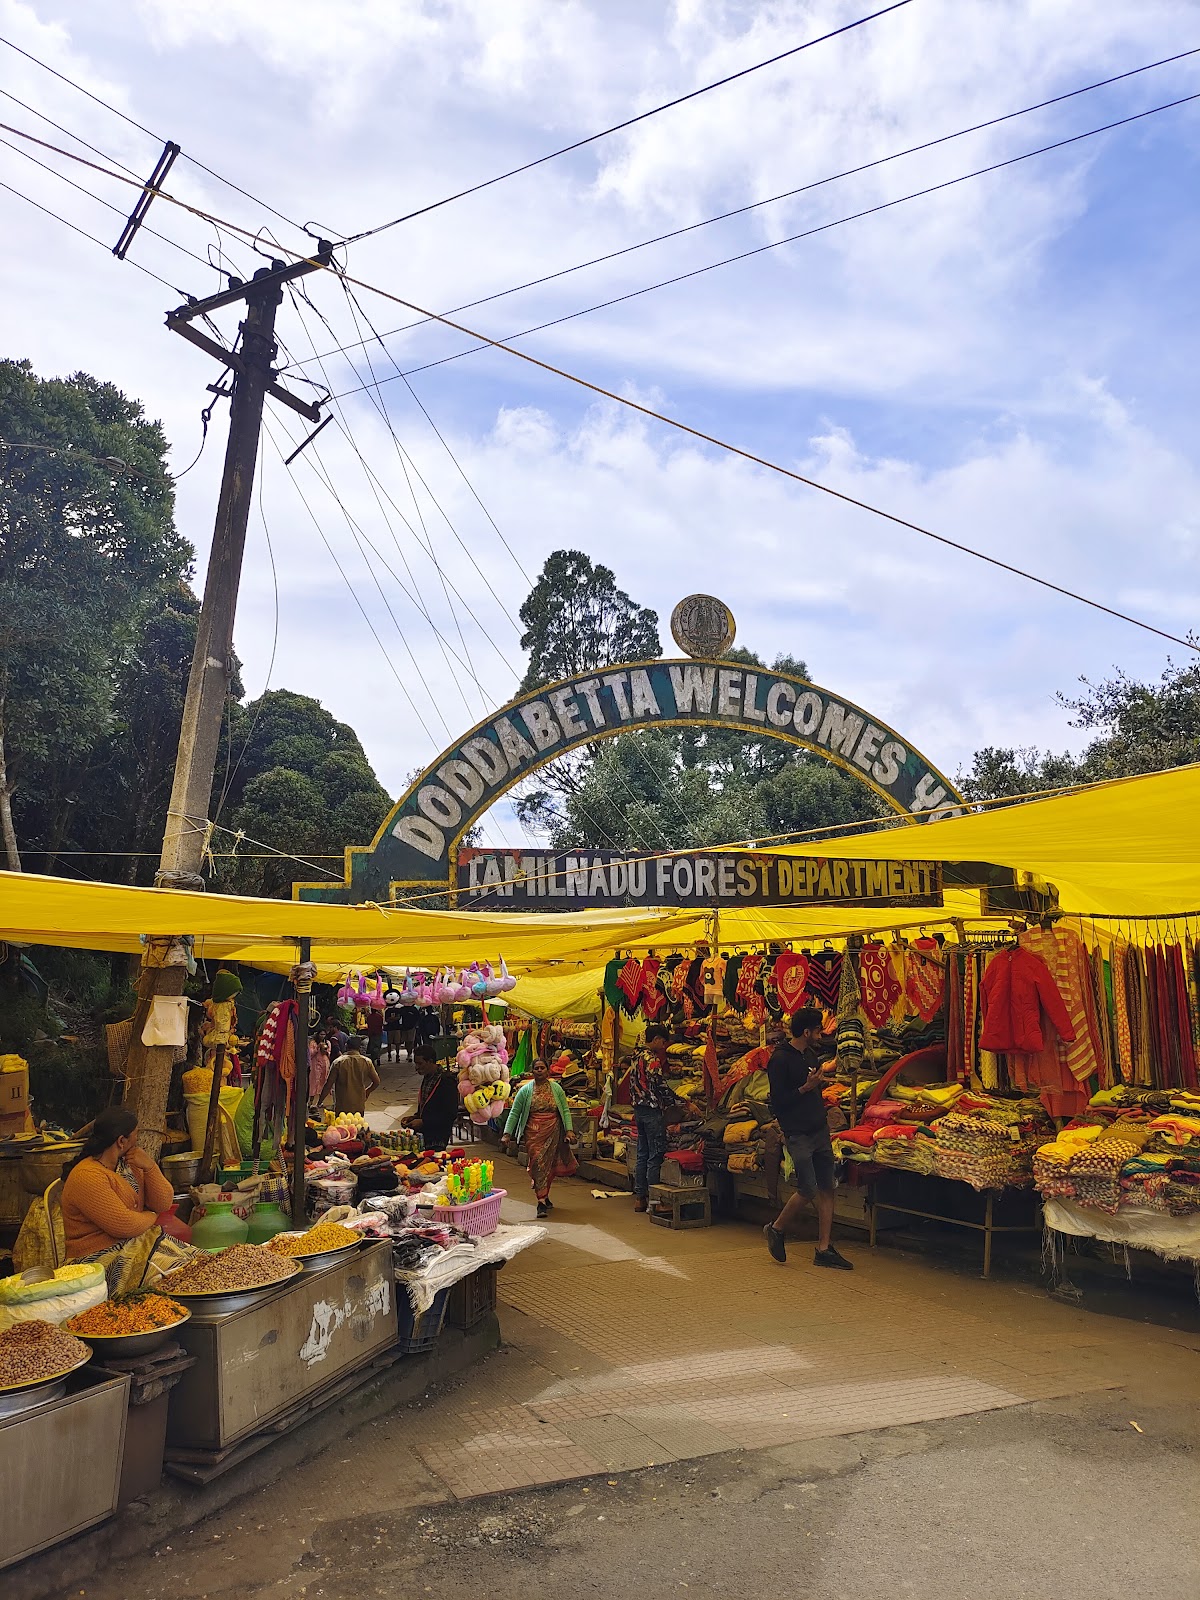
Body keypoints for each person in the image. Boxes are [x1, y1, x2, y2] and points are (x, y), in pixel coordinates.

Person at [763, 1008, 853, 1270]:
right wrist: (806, 1088)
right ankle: (777, 1228)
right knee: (808, 1188)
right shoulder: (780, 1060)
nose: (820, 1034)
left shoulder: (810, 1055)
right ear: (806, 1031)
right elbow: (778, 1102)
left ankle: (824, 1248)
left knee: (828, 1187)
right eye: (817, 1030)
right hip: (798, 1133)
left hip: (818, 1129)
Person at [60, 1107, 187, 1289]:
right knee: (175, 1275)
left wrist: (150, 1166)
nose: (137, 1141)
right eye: (135, 1135)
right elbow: (124, 1225)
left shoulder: (128, 1165)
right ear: (121, 1141)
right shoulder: (87, 1175)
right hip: (97, 1259)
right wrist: (151, 1216)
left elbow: (163, 1202)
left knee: (197, 1264)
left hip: (131, 1246)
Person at [502, 1057, 577, 1218]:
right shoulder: (525, 1090)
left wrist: (569, 1130)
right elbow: (515, 1112)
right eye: (537, 1068)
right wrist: (507, 1133)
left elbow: (564, 1110)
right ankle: (541, 1200)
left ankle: (543, 1198)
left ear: (547, 1070)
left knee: (548, 1165)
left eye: (542, 1068)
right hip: (533, 1133)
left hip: (553, 1131)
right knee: (538, 1162)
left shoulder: (556, 1089)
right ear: (532, 1071)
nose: (540, 1071)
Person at [628, 1024, 679, 1213]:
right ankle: (655, 1202)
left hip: (638, 1110)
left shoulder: (634, 1057)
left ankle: (640, 1198)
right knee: (655, 1155)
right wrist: (681, 1103)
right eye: (663, 1042)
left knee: (642, 1154)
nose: (664, 1046)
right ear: (656, 1039)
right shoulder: (651, 1059)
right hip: (651, 1110)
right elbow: (660, 1086)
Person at [401, 1045, 460, 1150]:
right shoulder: (427, 1078)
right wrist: (414, 1118)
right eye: (416, 1063)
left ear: (430, 1061)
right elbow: (426, 1106)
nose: (416, 1067)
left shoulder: (446, 1081)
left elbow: (450, 1114)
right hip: (425, 1135)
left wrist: (424, 1122)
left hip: (438, 1137)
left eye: (420, 1063)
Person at [320, 1036, 381, 1116]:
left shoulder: (338, 1062)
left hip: (342, 1106)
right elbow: (376, 1082)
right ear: (359, 1047)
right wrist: (367, 1091)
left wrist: (319, 1102)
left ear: (346, 1046)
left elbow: (328, 1085)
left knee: (342, 1128)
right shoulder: (366, 1062)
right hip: (359, 1105)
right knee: (357, 1126)